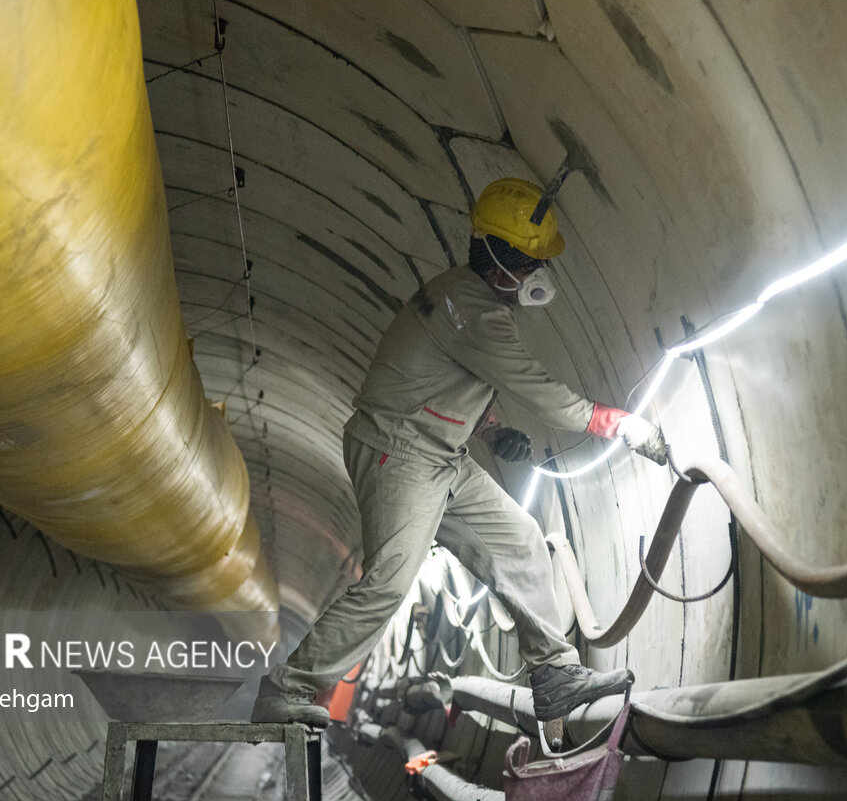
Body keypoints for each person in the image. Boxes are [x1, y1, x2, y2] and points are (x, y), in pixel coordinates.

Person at [252, 178, 668, 727]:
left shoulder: (463, 298)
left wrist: (491, 432)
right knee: (387, 584)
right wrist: (617, 424)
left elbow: (444, 380)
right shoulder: (474, 312)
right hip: (398, 453)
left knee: (519, 540)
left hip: (440, 455)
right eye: (528, 265)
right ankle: (287, 689)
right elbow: (537, 389)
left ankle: (554, 675)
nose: (534, 278)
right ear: (500, 267)